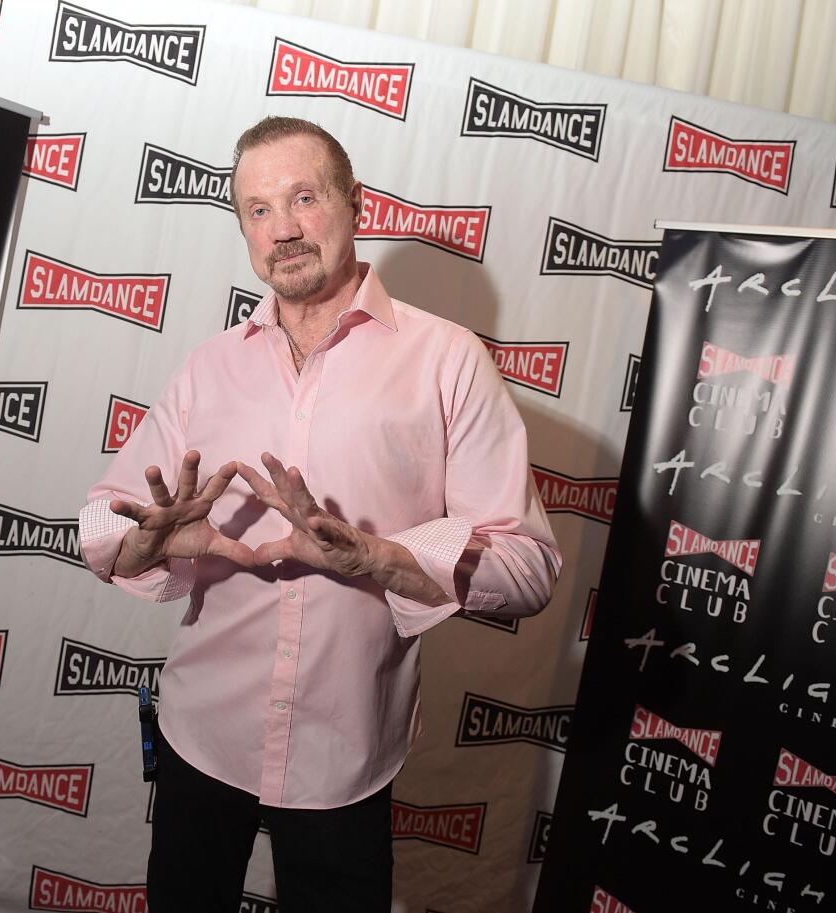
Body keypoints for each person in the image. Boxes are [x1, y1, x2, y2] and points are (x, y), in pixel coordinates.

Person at [77, 116, 560, 912]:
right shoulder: (209, 367)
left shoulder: (448, 360)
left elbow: (529, 567)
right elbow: (102, 529)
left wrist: (378, 557)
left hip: (347, 753)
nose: (284, 229)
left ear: (355, 203)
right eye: (258, 209)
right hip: (203, 734)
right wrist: (146, 542)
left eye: (304, 198)